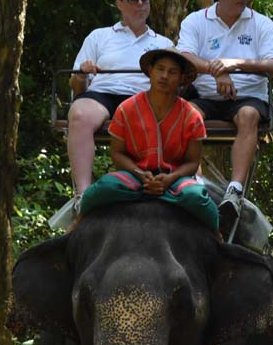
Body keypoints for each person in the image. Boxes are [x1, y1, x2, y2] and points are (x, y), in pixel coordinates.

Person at [177, 0, 273, 237]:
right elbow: (183, 56)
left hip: (248, 95)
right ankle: (193, 179)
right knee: (185, 114)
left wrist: (234, 64)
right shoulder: (196, 21)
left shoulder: (262, 24)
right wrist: (216, 71)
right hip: (206, 94)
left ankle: (234, 190)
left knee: (248, 116)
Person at [77, 49, 217, 231]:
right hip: (134, 177)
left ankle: (217, 237)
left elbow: (192, 162)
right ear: (150, 71)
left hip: (174, 180)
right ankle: (76, 224)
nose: (165, 76)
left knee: (198, 198)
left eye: (173, 72)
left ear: (182, 78)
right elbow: (117, 153)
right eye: (160, 69)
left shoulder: (192, 116)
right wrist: (139, 173)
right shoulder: (126, 108)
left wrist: (169, 179)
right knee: (101, 189)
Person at [65, 0, 173, 211]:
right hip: (104, 92)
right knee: (79, 114)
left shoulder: (163, 43)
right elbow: (76, 84)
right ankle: (82, 195)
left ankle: (171, 185)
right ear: (120, 4)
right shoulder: (99, 36)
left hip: (144, 97)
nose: (140, 3)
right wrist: (82, 74)